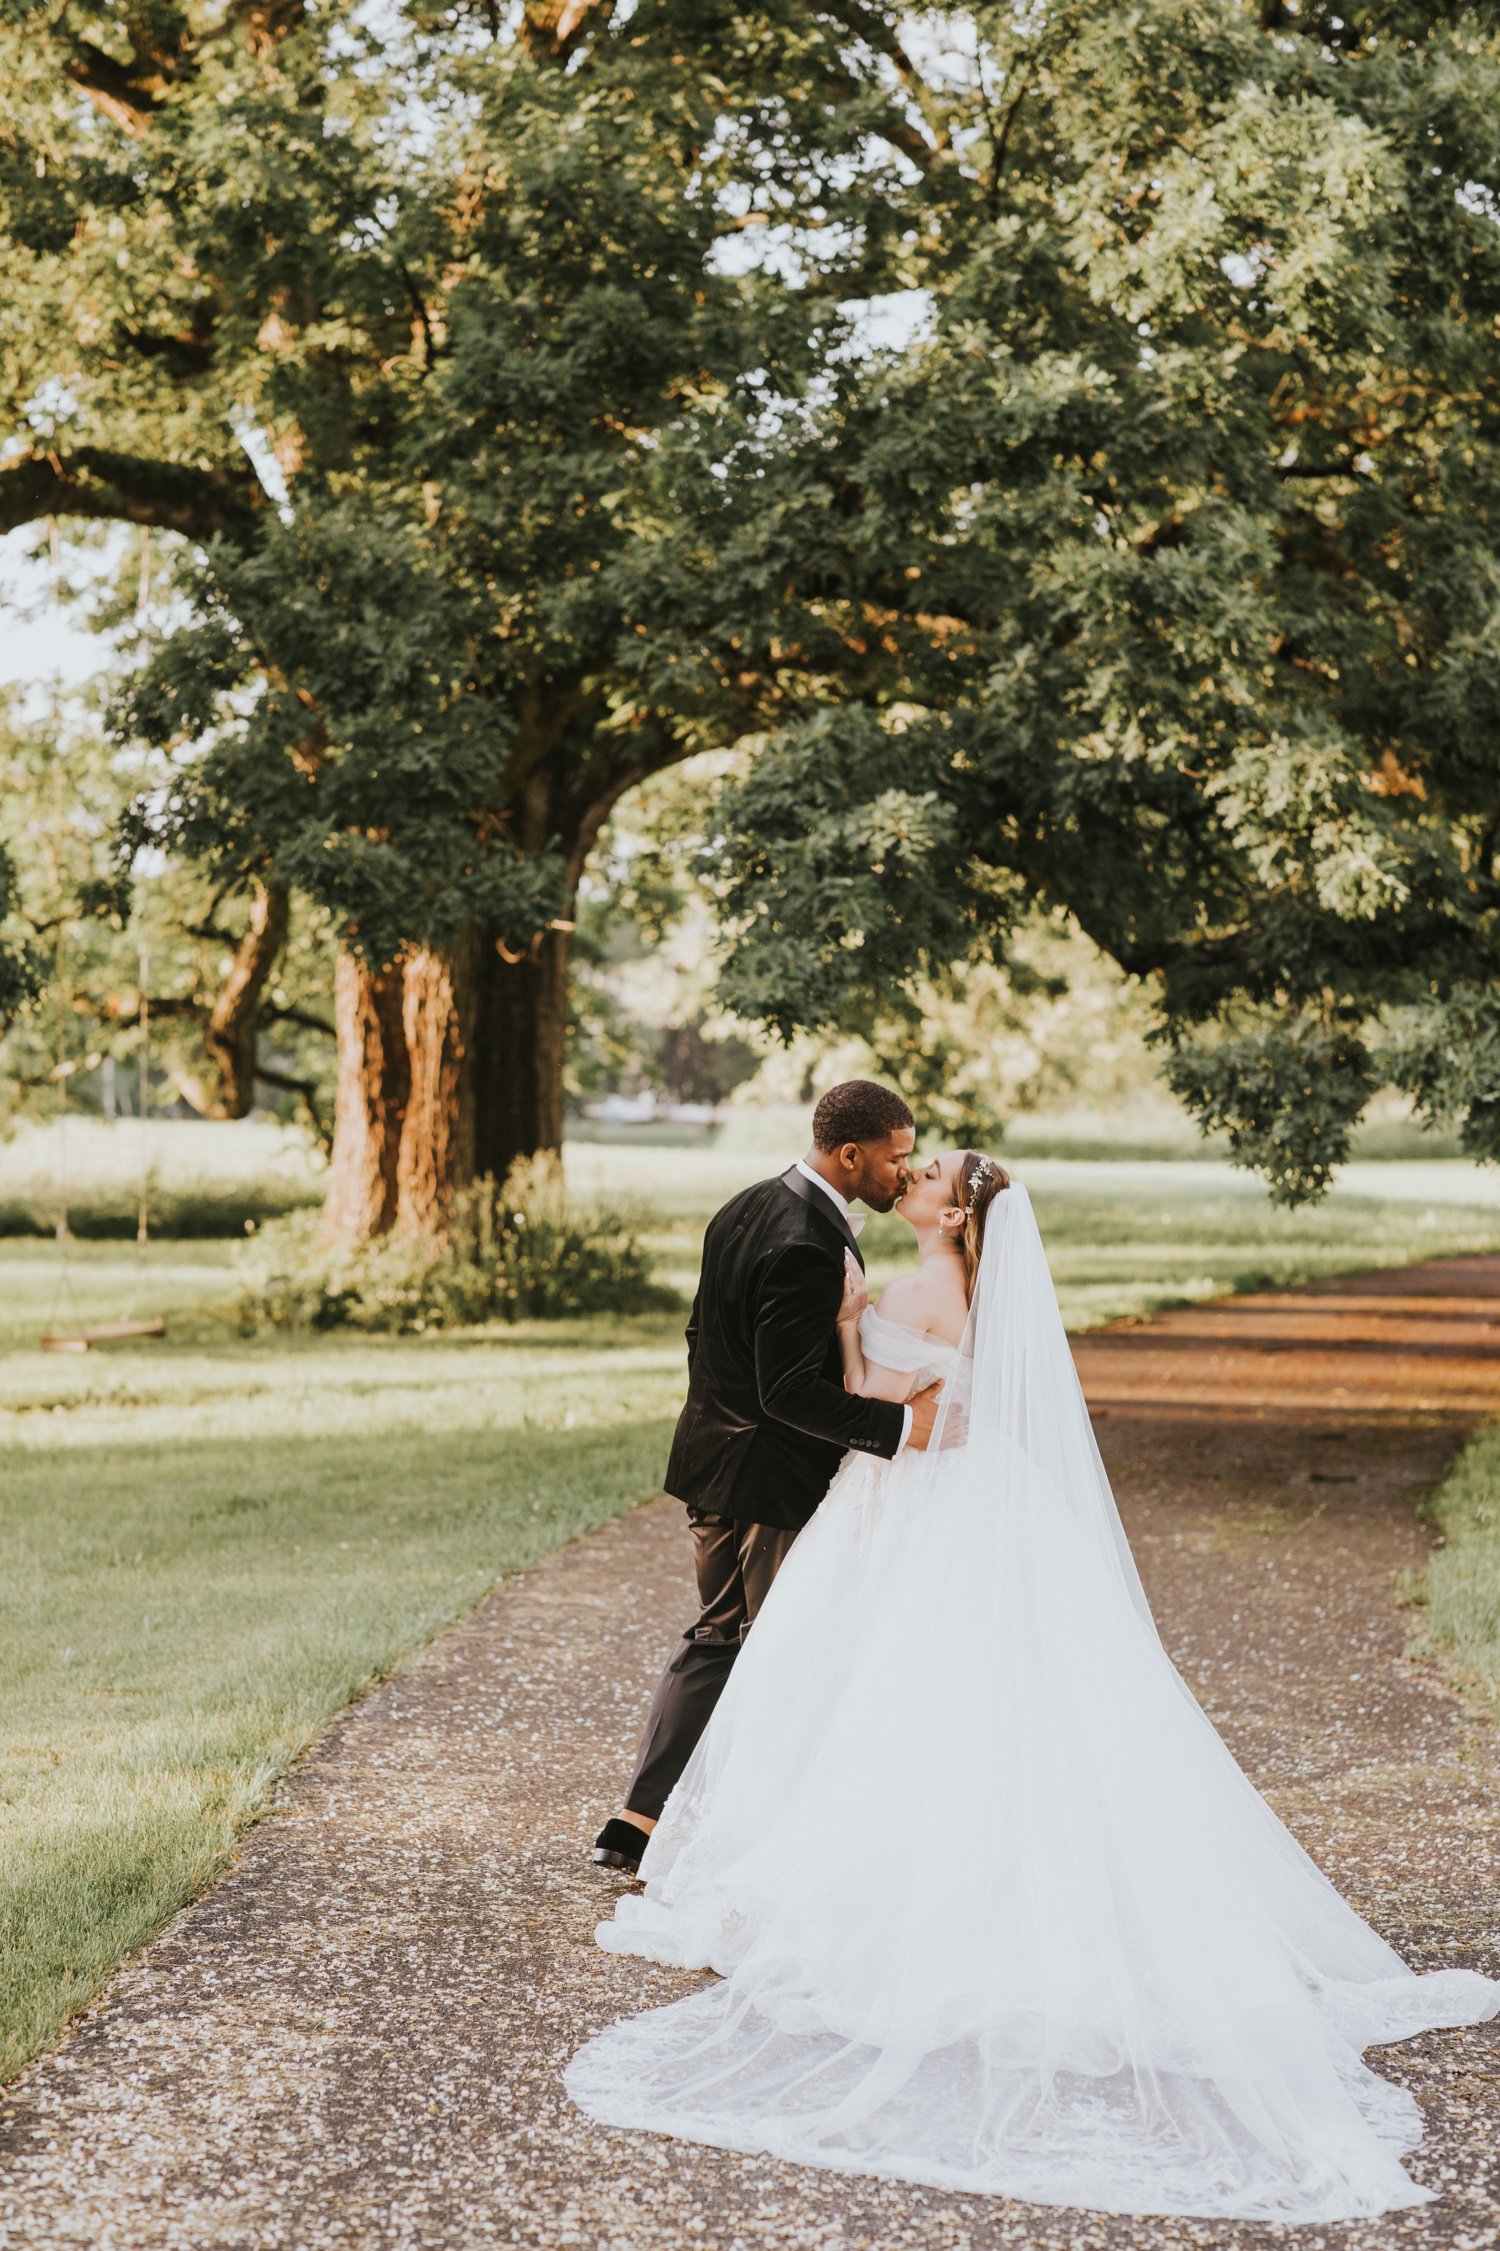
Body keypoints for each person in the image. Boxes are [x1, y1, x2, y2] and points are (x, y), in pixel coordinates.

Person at [568, 1153, 1500, 2222]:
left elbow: (872, 1398)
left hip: (911, 1505)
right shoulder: (973, 1292)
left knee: (888, 1700)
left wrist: (846, 1324)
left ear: (952, 1214)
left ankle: (893, 1883)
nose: (911, 1178)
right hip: (979, 1498)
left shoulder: (914, 1290)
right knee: (986, 1701)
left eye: (928, 1176)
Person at [591, 1080, 943, 1877]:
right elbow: (786, 1390)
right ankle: (750, 1839)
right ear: (850, 1154)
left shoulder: (749, 1204)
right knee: (781, 1650)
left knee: (717, 1637)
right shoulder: (807, 1242)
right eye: (896, 1159)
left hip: (712, 1462)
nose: (903, 1172)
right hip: (766, 1484)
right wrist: (899, 1427)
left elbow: (703, 1334)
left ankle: (635, 1819)